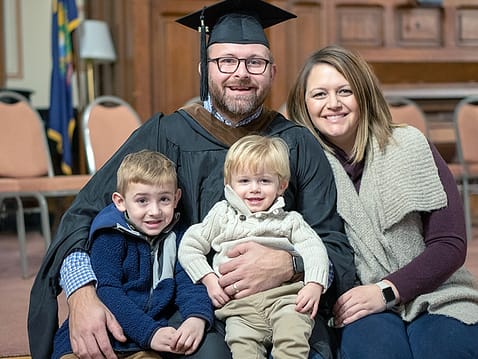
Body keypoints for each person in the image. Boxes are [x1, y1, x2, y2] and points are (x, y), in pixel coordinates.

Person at [28, 2, 356, 358]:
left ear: (272, 71)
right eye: (226, 61)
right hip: (191, 307)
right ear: (205, 69)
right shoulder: (164, 134)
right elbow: (84, 213)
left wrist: (291, 265)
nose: (241, 73)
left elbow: (334, 245)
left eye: (254, 62)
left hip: (285, 305)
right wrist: (81, 293)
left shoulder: (296, 142)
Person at [287, 44, 478, 359]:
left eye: (344, 91)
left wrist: (387, 290)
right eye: (319, 94)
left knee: (447, 348)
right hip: (354, 301)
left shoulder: (411, 145)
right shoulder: (302, 166)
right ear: (303, 104)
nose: (333, 104)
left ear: (363, 95)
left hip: (437, 291)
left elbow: (450, 243)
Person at [178, 135, 330, 358]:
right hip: (240, 309)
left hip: (285, 299)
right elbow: (190, 245)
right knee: (242, 347)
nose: (254, 189)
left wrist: (315, 284)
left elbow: (314, 248)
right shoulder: (222, 215)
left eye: (264, 181)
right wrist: (209, 279)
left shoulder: (289, 220)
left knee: (293, 339)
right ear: (229, 184)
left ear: (282, 185)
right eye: (245, 181)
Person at [52, 150, 214, 359]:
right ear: (120, 201)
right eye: (142, 201)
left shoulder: (179, 236)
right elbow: (108, 292)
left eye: (164, 199)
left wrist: (196, 317)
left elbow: (189, 282)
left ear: (176, 198)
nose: (154, 211)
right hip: (105, 336)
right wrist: (150, 332)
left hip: (144, 345)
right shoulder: (110, 235)